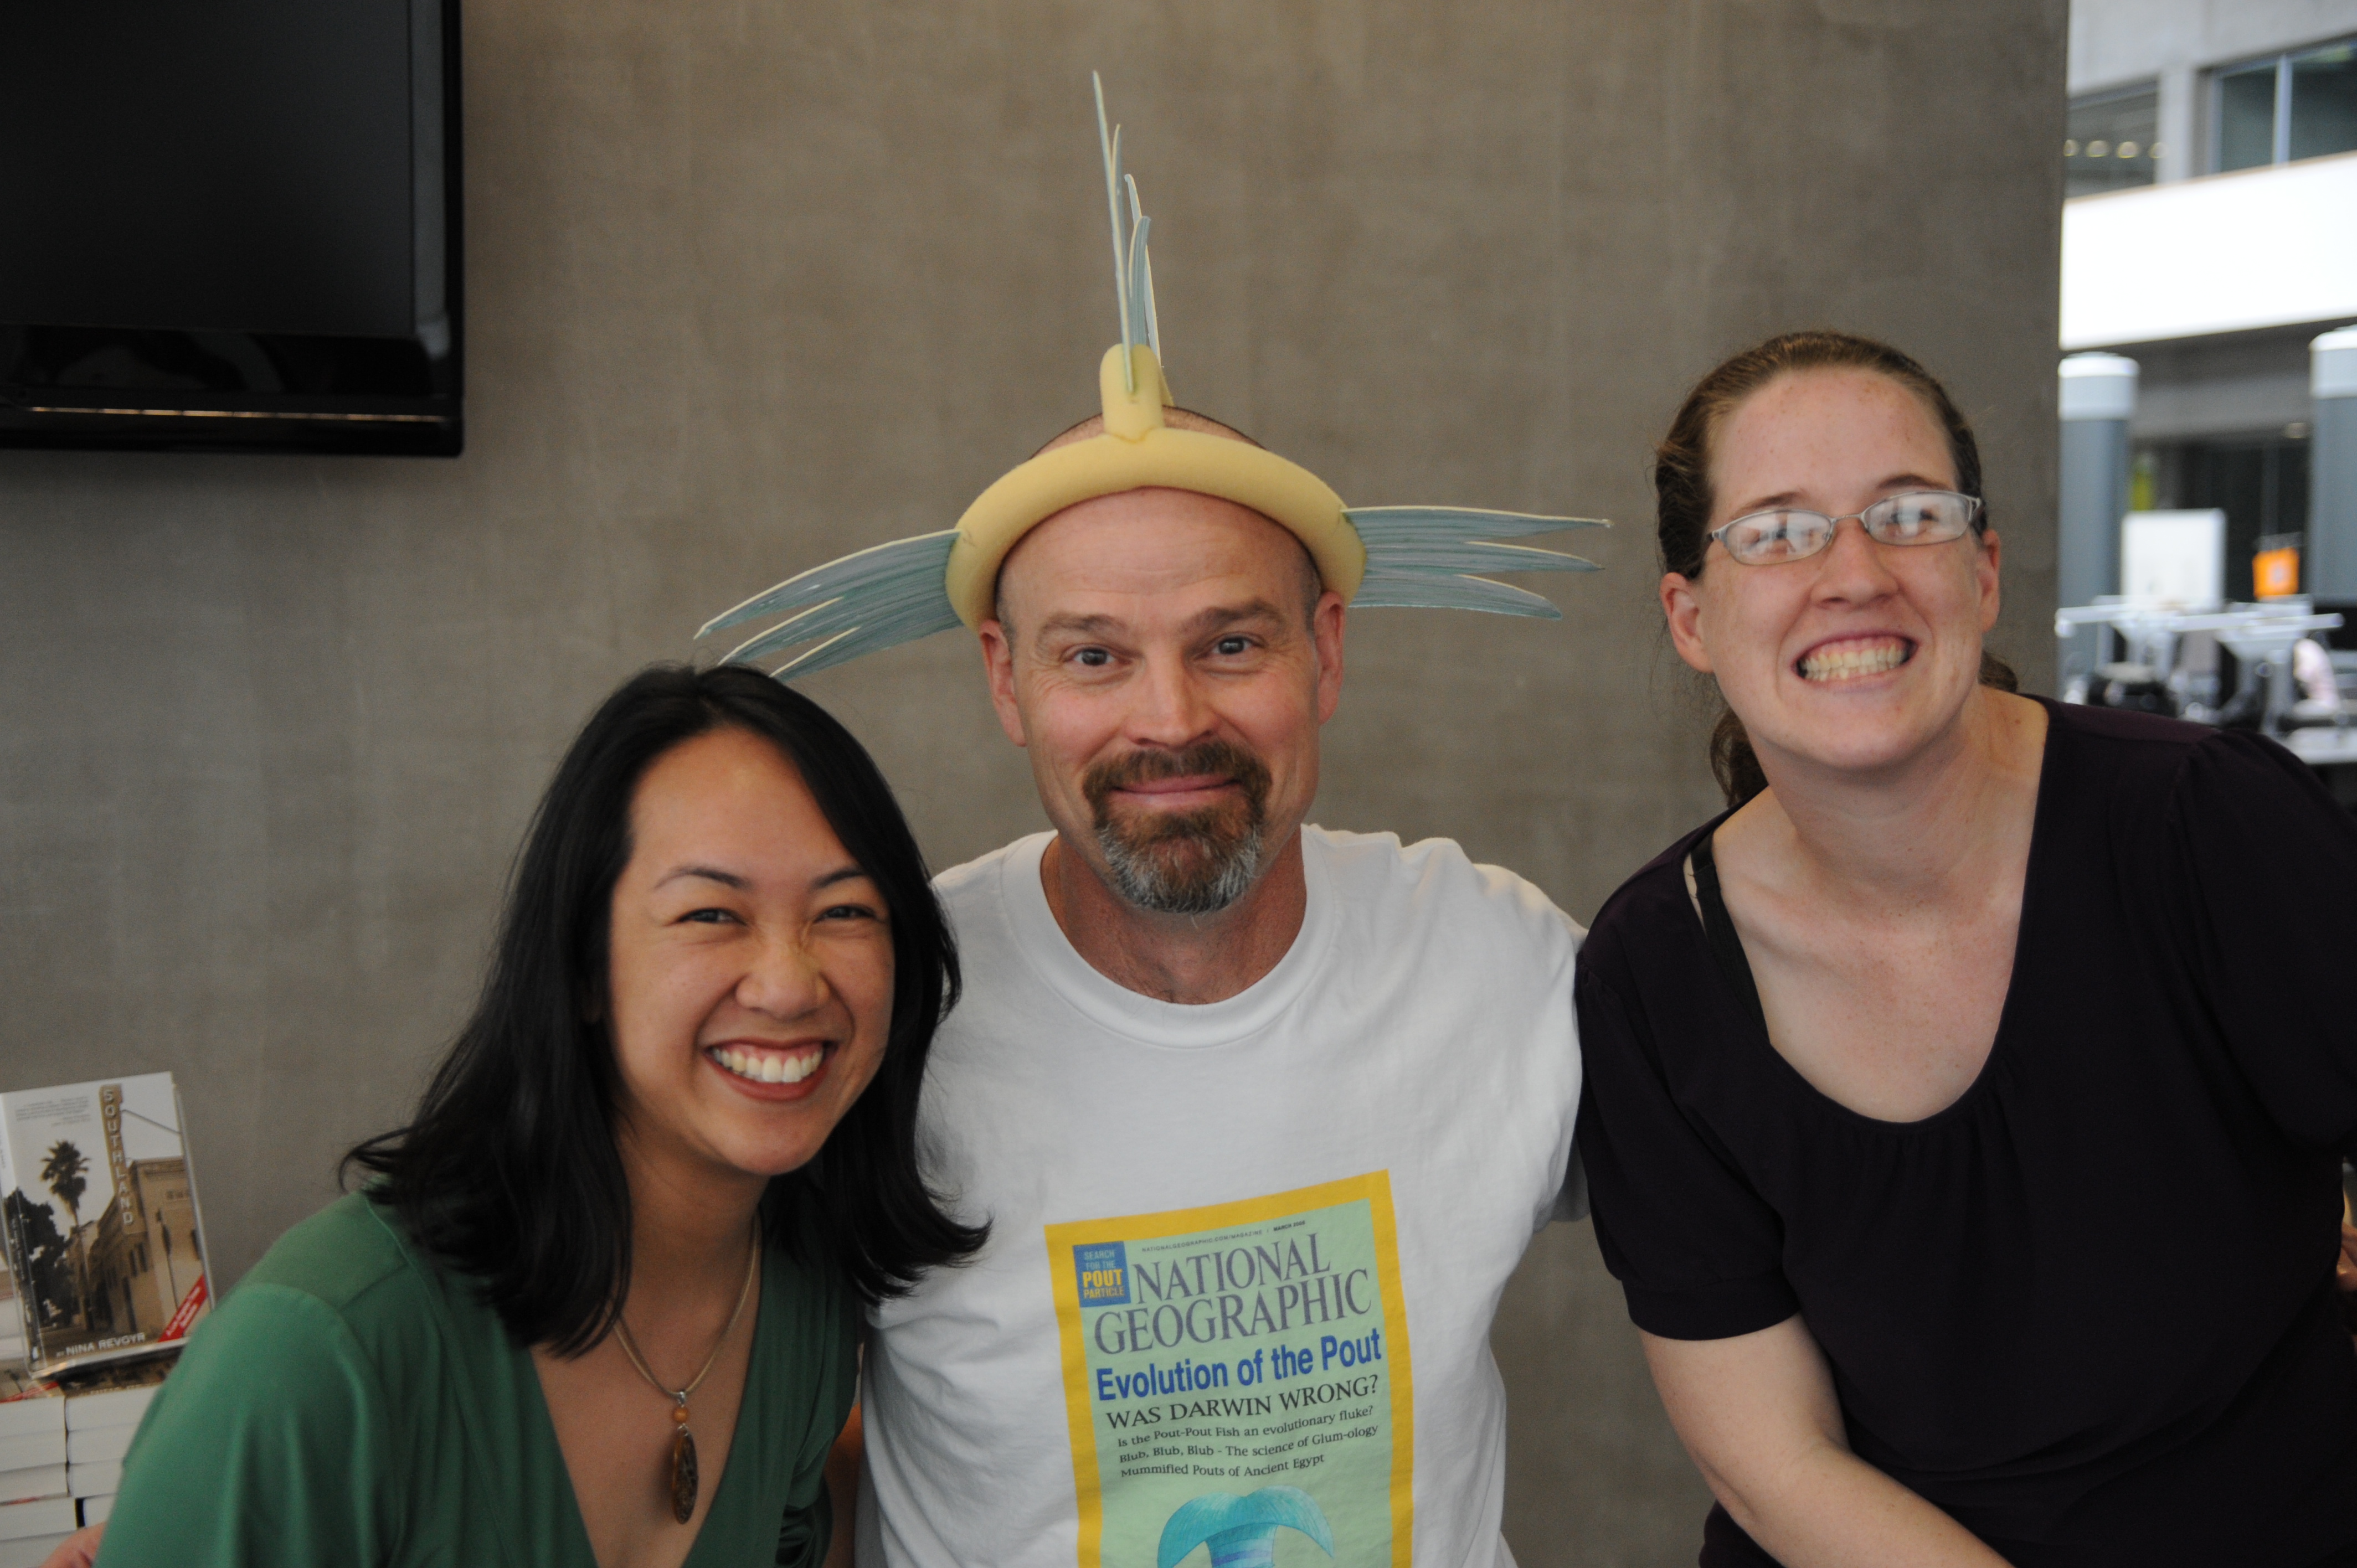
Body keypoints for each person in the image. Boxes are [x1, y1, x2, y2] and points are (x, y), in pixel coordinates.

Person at [697, 82, 1599, 1568]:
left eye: (1231, 643)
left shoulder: (1495, 963)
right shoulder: (885, 1007)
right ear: (1006, 678)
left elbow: (1787, 1196)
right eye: (1095, 656)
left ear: (1327, 652)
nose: (1169, 720)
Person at [1574, 329, 2357, 1566]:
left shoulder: (2206, 826)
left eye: (1908, 515)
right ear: (1691, 616)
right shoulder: (1652, 973)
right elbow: (1774, 1463)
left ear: (1982, 572)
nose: (1852, 574)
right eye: (1777, 532)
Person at [68, 663, 982, 1568]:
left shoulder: (802, 1304)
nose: (789, 984)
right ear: (583, 968)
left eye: (846, 910)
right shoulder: (314, 1353)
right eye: (711, 914)